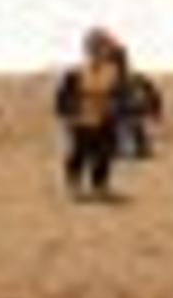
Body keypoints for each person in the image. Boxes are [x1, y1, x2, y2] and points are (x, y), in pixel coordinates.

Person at [51, 27, 140, 200]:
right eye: (96, 48)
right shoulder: (76, 73)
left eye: (103, 48)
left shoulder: (115, 72)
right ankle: (74, 184)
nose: (99, 53)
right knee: (79, 153)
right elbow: (63, 98)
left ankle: (100, 185)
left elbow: (123, 93)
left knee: (104, 153)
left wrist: (118, 110)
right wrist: (70, 113)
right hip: (81, 120)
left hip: (105, 120)